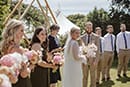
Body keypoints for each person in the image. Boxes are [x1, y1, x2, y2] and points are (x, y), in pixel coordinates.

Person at [0, 19, 32, 87]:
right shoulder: (17, 49)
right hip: (21, 83)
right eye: (21, 30)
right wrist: (31, 66)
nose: (23, 33)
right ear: (14, 31)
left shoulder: (6, 46)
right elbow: (23, 74)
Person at [81, 21, 100, 87]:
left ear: (92, 28)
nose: (89, 29)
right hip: (84, 61)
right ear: (85, 28)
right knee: (84, 76)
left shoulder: (97, 37)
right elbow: (80, 50)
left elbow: (98, 50)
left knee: (93, 76)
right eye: (87, 27)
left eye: (90, 27)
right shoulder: (81, 37)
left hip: (93, 60)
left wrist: (96, 61)